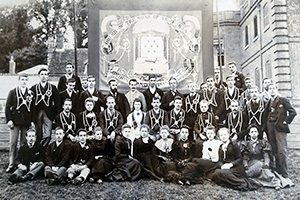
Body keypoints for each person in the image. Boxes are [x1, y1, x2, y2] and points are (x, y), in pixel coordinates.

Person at [242, 124, 291, 189]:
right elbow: (245, 156)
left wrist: (266, 163)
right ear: (249, 134)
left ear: (258, 133)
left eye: (255, 132)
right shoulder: (246, 144)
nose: (254, 133)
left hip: (261, 162)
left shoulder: (262, 143)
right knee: (258, 168)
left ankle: (276, 183)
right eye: (252, 132)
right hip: (251, 163)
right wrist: (245, 164)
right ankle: (275, 182)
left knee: (265, 171)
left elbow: (265, 155)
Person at [266, 83, 297, 179]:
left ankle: (285, 173)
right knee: (274, 149)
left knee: (282, 151)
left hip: (280, 129)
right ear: (267, 91)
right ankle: (279, 170)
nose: (271, 90)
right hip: (270, 128)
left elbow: (293, 112)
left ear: (276, 89)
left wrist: (285, 122)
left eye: (273, 88)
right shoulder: (268, 102)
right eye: (269, 89)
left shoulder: (283, 100)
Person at [5, 73, 34, 173]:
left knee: (23, 144)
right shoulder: (13, 92)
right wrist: (9, 120)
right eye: (22, 79)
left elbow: (32, 109)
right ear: (19, 80)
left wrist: (31, 121)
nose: (24, 81)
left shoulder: (30, 93)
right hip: (14, 121)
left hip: (25, 122)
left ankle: (22, 164)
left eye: (26, 80)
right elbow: (7, 107)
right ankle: (11, 164)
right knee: (13, 143)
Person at [30, 67, 61, 146]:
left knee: (47, 134)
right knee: (38, 133)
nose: (44, 76)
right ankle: (38, 151)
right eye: (42, 74)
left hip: (49, 113)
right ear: (39, 76)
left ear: (48, 76)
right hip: (37, 113)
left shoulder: (53, 88)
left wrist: (56, 115)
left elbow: (57, 103)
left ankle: (44, 149)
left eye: (45, 74)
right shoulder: (34, 88)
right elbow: (30, 101)